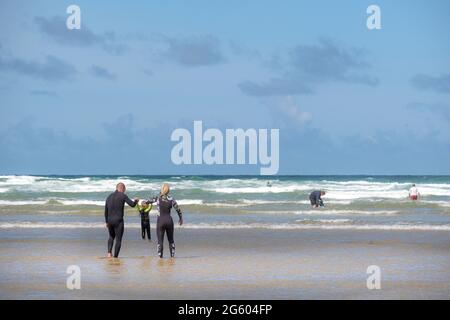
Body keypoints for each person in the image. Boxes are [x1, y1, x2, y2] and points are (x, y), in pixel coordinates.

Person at [147, 183, 183, 258]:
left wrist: (144, 203)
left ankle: (160, 258)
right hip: (169, 221)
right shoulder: (171, 199)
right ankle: (172, 257)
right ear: (168, 190)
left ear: (162, 189)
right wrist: (180, 218)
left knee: (160, 241)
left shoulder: (157, 198)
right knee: (171, 240)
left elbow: (147, 201)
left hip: (160, 221)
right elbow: (178, 209)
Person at [104, 182, 138, 258]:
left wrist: (106, 221)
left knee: (111, 236)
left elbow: (105, 211)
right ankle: (115, 257)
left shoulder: (109, 197)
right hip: (118, 221)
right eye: (124, 190)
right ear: (123, 189)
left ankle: (109, 253)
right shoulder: (123, 195)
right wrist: (136, 201)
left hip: (109, 221)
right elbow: (132, 205)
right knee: (118, 239)